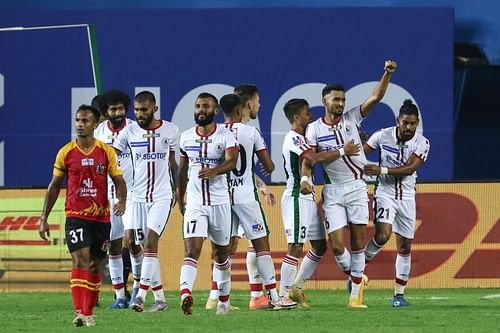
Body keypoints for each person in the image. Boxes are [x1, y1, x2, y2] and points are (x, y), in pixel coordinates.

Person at [302, 60, 397, 308]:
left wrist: (386, 73)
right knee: (336, 245)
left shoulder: (352, 118)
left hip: (357, 187)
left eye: (343, 100)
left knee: (357, 243)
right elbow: (311, 158)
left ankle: (355, 297)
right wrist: (341, 152)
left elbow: (375, 98)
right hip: (332, 190)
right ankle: (356, 278)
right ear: (324, 101)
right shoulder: (313, 129)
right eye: (336, 100)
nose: (340, 104)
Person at [206, 94, 297, 310]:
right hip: (246, 197)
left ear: (220, 112)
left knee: (222, 250)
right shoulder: (251, 132)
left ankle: (216, 299)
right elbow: (268, 165)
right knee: (261, 245)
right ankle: (275, 298)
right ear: (240, 110)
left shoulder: (215, 133)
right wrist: (267, 168)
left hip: (222, 198)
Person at [39, 105, 126, 327]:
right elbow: (55, 185)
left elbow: (119, 180)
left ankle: (88, 312)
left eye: (85, 121)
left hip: (102, 218)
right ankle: (80, 312)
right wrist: (43, 218)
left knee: (96, 265)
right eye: (77, 120)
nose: (80, 125)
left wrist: (122, 201)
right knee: (80, 258)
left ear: (95, 125)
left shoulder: (105, 152)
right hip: (76, 215)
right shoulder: (66, 152)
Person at [280, 98, 360, 308]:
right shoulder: (293, 138)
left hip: (308, 196)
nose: (311, 116)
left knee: (319, 246)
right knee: (295, 246)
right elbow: (312, 158)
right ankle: (282, 295)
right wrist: (343, 150)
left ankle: (296, 289)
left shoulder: (301, 137)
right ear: (297, 117)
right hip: (297, 196)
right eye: (307, 113)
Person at [113, 91, 179, 312]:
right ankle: (160, 299)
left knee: (150, 242)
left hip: (162, 196)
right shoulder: (128, 133)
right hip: (137, 196)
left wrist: (179, 188)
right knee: (133, 242)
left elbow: (174, 161)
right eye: (137, 110)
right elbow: (112, 156)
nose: (140, 114)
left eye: (144, 109)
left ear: (154, 109)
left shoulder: (170, 130)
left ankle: (140, 296)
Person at [363, 99, 430, 307]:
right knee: (382, 236)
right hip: (385, 193)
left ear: (417, 123)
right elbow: (359, 154)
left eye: (412, 124)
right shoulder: (382, 136)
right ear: (397, 120)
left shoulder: (422, 142)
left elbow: (410, 169)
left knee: (404, 246)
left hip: (408, 197)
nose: (408, 127)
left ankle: (399, 295)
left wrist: (380, 170)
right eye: (405, 123)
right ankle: (355, 271)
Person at [177, 93, 238, 316]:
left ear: (216, 111)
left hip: (220, 203)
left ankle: (223, 302)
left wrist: (215, 170)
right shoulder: (185, 138)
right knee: (191, 250)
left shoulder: (226, 135)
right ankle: (185, 294)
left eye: (206, 106)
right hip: (195, 203)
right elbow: (182, 170)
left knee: (221, 255)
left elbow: (232, 161)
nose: (201, 109)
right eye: (198, 106)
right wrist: (179, 196)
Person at [94, 90, 136, 309]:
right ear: (106, 112)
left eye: (120, 108)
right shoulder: (99, 133)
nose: (118, 113)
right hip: (109, 197)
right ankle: (120, 295)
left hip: (135, 195)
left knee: (135, 242)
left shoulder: (134, 129)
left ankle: (140, 290)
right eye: (113, 109)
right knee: (114, 246)